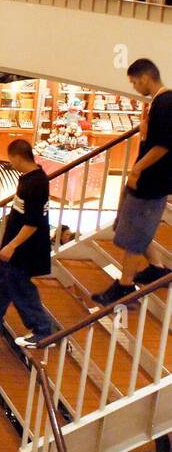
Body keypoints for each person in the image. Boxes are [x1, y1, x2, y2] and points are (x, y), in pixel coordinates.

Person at [92, 58, 171, 305]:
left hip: (151, 183)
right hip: (149, 181)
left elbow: (164, 144)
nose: (135, 86)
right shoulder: (160, 102)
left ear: (145, 77)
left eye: (135, 82)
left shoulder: (166, 103)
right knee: (131, 226)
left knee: (134, 233)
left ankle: (124, 287)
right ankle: (157, 268)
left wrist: (137, 169)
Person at [0, 139, 58, 348]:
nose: (11, 163)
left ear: (17, 157)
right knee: (1, 281)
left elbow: (33, 223)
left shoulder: (36, 184)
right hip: (15, 246)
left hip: (25, 249)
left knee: (21, 287)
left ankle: (43, 330)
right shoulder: (28, 178)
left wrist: (12, 245)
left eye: (11, 159)